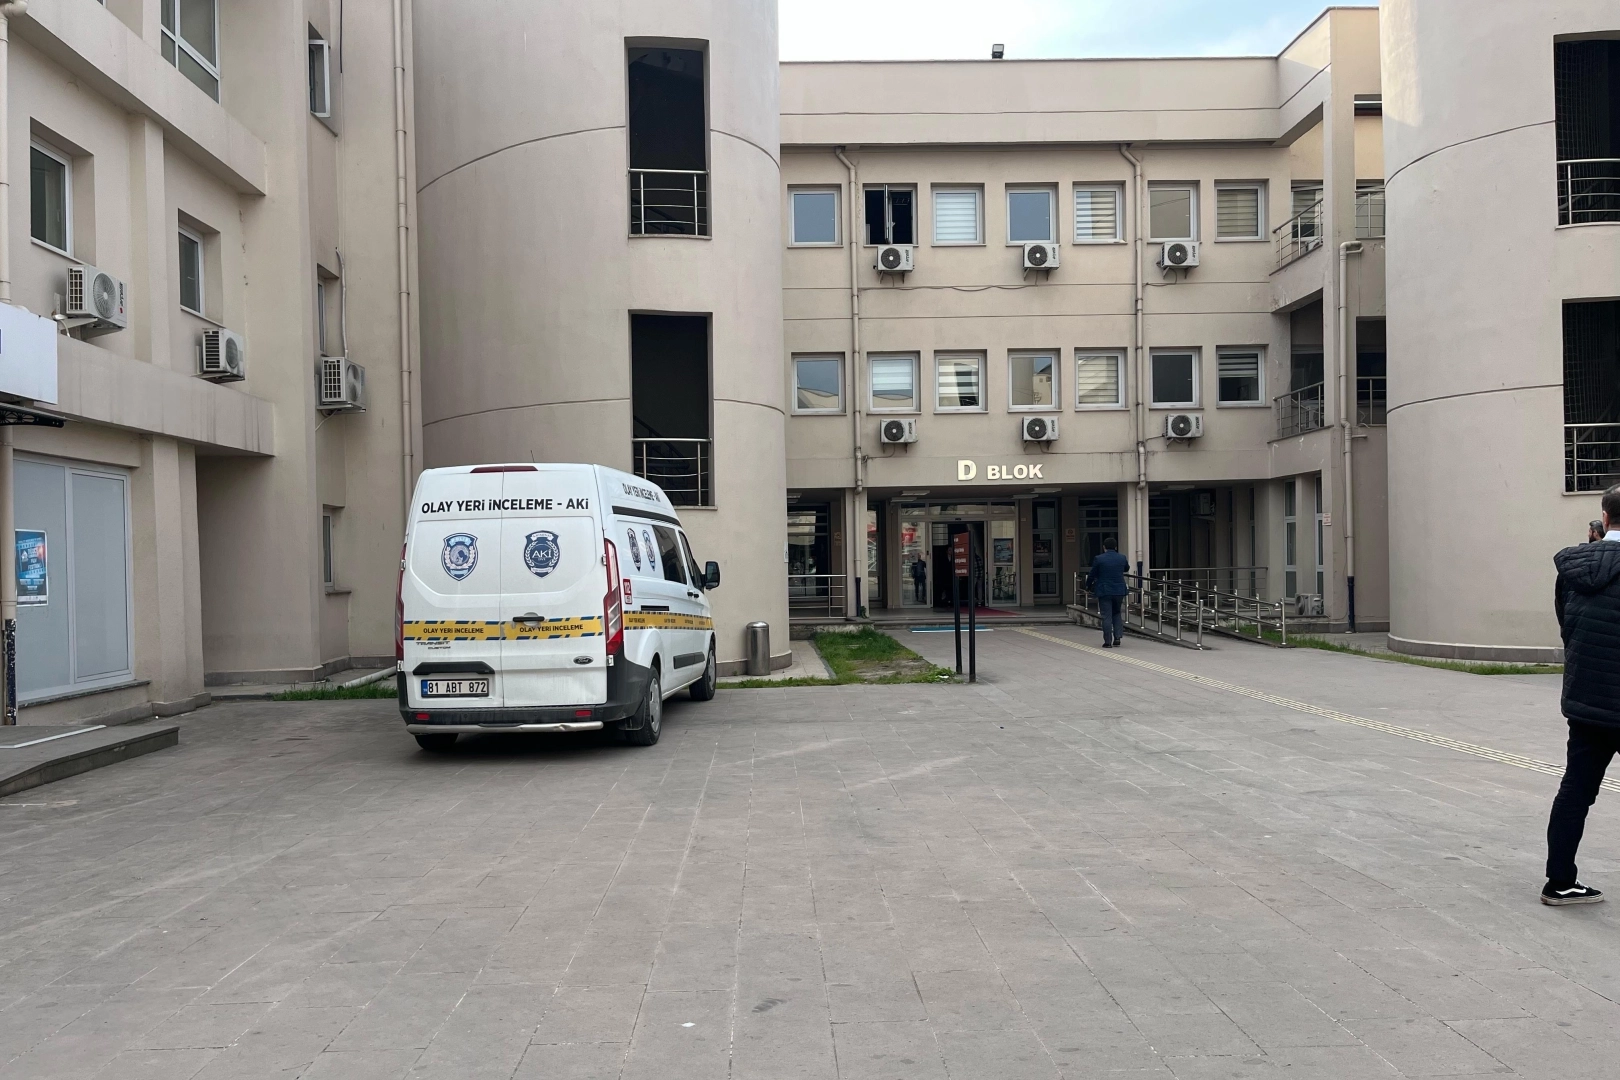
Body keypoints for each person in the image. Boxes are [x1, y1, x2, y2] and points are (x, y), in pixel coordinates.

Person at [1543, 485, 1620, 905]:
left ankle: (1559, 882)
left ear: (1604, 518)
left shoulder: (1573, 568)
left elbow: (1567, 626)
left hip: (1587, 698)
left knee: (1575, 791)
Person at [1086, 537, 1130, 648]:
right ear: (1116, 547)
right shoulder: (1122, 558)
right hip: (1119, 590)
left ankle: (1108, 641)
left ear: (1104, 547)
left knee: (1106, 615)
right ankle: (1117, 637)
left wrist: (1088, 586)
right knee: (1117, 612)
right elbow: (1126, 568)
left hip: (1104, 590)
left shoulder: (1099, 559)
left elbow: (1092, 574)